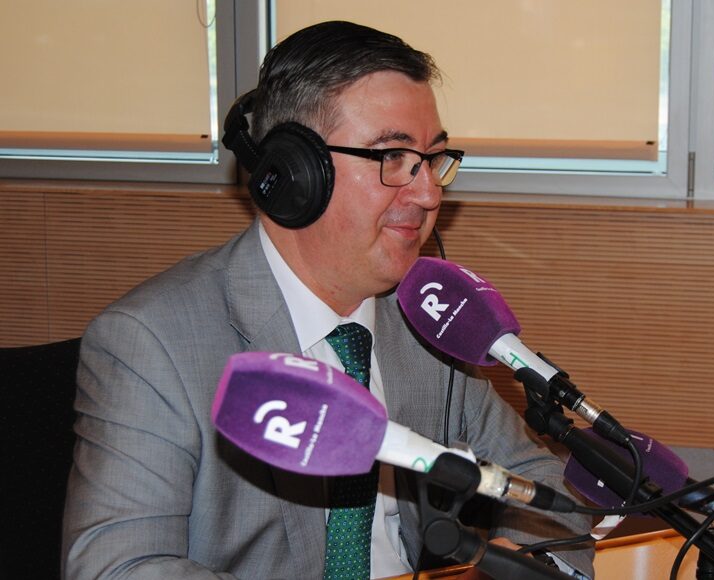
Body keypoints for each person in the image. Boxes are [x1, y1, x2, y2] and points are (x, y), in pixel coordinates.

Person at [62, 21, 595, 579]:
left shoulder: (429, 319)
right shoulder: (152, 344)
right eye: (393, 156)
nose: (428, 192)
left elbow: (542, 484)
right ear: (296, 174)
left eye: (434, 158)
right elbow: (116, 567)